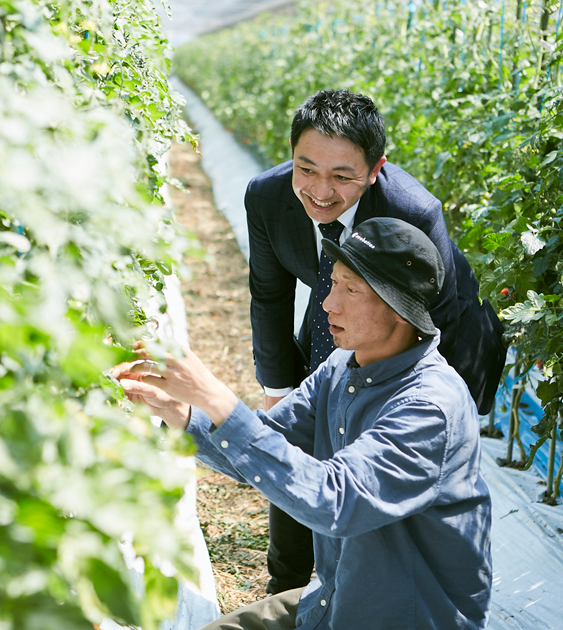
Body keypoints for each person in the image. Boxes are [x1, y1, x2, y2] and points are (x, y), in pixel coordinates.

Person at [116, 218, 493, 630]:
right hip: (334, 597)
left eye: (352, 290)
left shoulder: (429, 407)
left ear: (401, 311)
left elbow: (334, 502)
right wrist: (181, 412)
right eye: (333, 283)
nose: (329, 304)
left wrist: (216, 397)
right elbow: (257, 449)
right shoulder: (341, 367)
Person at [245, 89, 505, 594]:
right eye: (307, 169)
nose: (321, 191)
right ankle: (291, 588)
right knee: (298, 444)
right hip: (341, 311)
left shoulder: (413, 211)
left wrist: (392, 415)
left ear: (375, 169)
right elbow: (269, 295)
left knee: (381, 488)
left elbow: (434, 324)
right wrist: (280, 392)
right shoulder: (268, 196)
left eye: (343, 176)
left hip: (439, 332)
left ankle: (375, 593)